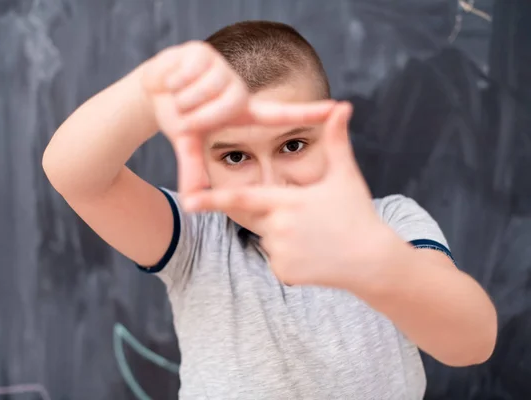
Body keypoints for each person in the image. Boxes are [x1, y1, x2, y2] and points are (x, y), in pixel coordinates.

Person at [43, 20, 497, 399]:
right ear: (203, 163)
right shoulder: (196, 239)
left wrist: (377, 266)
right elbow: (74, 173)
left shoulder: (391, 224)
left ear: (333, 132)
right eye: (235, 157)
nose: (269, 182)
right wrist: (149, 92)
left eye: (293, 145)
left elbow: (472, 342)